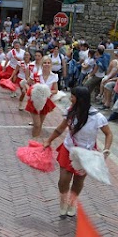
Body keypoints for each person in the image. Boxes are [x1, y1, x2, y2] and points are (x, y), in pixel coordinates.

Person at [43, 86, 112, 217]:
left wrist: (106, 149)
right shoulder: (70, 112)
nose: (70, 98)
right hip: (69, 149)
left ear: (79, 99)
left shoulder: (97, 117)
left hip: (86, 154)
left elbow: (109, 134)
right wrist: (49, 140)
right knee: (63, 180)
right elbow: (60, 129)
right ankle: (63, 201)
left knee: (78, 181)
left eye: (72, 96)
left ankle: (72, 203)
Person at [25, 56, 58, 137]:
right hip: (34, 101)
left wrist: (46, 92)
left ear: (51, 64)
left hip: (46, 102)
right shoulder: (36, 74)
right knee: (37, 124)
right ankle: (32, 144)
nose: (47, 64)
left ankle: (36, 144)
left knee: (40, 125)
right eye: (45, 63)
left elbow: (55, 90)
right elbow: (27, 83)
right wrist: (30, 91)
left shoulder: (54, 76)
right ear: (41, 64)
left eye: (48, 63)